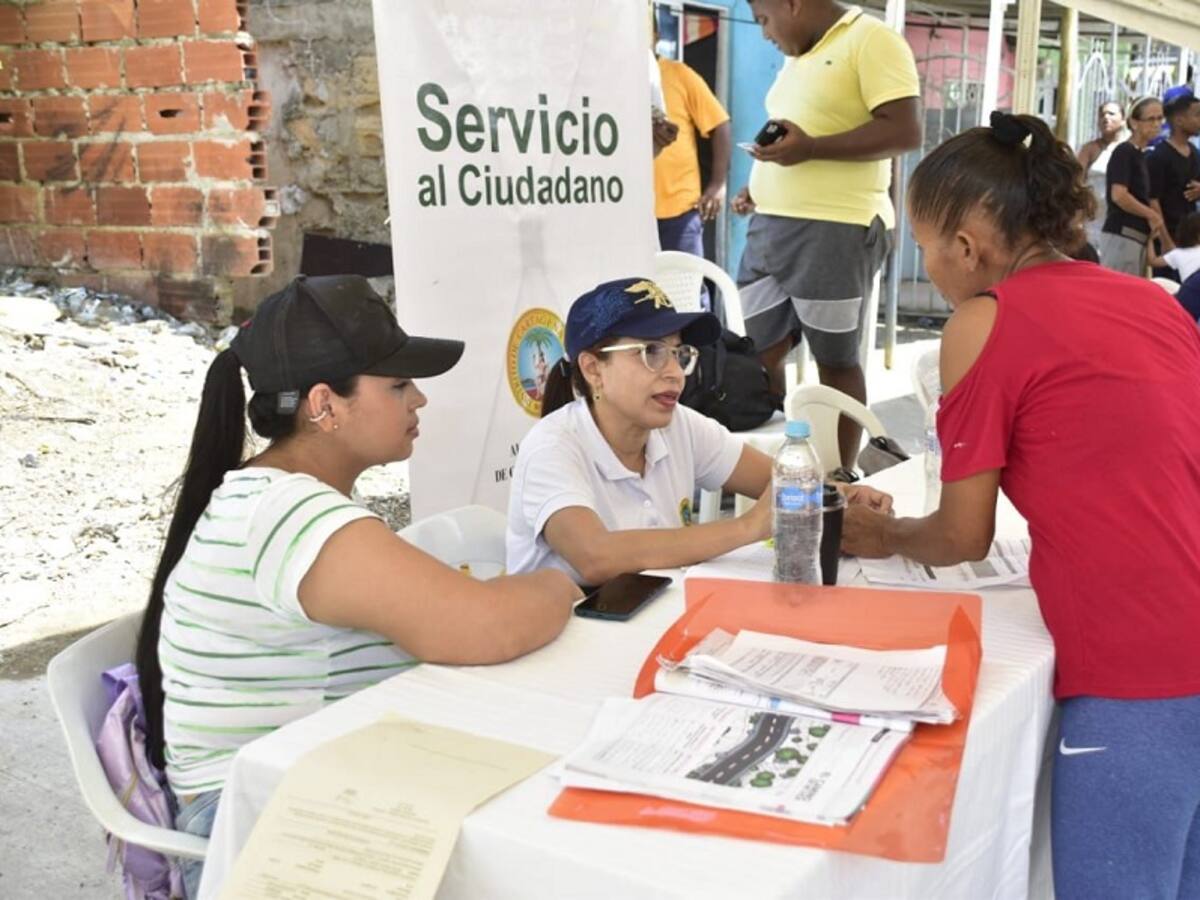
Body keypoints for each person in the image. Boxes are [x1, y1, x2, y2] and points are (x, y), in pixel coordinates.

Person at [841, 111, 1200, 899]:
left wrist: (881, 531)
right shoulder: (1154, 305)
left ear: (967, 248)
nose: (926, 266)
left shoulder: (985, 321)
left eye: (924, 247)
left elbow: (963, 533)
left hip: (1139, 670)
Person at [135, 275, 580, 897]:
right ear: (324, 405)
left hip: (306, 785)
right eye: (398, 385)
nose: (418, 400)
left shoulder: (274, 495)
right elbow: (491, 627)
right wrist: (564, 584)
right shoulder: (290, 515)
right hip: (256, 822)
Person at [505, 277, 890, 584]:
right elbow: (595, 557)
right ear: (593, 369)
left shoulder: (677, 426)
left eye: (679, 353)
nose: (674, 372)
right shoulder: (553, 447)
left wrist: (844, 495)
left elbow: (779, 484)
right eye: (651, 353)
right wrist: (748, 526)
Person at [732, 0, 921, 470]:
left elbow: (905, 130)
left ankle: (837, 476)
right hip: (769, 226)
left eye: (763, 20)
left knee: (834, 360)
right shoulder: (798, 60)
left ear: (792, 5)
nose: (764, 34)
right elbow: (798, 133)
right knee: (757, 354)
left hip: (835, 227)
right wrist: (760, 183)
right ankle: (772, 472)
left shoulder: (871, 39)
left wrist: (812, 148)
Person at [654, 52, 732, 271]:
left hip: (680, 210)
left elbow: (720, 124)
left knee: (686, 292)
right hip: (631, 212)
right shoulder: (617, 78)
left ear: (656, 35)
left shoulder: (678, 74)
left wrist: (718, 185)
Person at [1099, 96, 1165, 275]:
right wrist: (1150, 214)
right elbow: (1119, 195)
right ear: (1134, 123)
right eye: (1151, 119)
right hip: (1123, 236)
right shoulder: (1124, 151)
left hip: (1137, 239)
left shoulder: (1140, 155)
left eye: (1160, 118)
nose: (1157, 124)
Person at [1148, 93, 1200, 277]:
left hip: (1192, 240)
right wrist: (1165, 239)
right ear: (1179, 120)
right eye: (1197, 115)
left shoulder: (1194, 153)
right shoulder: (1159, 157)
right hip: (1169, 238)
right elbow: (1152, 199)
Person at [1075, 101, 1128, 252]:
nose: (1106, 118)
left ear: (1123, 119)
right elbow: (1077, 182)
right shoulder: (1090, 149)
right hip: (1093, 218)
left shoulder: (1129, 150)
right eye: (1102, 115)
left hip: (1118, 219)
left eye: (1111, 114)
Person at [1149, 211, 1200, 284]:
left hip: (1188, 290)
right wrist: (1150, 239)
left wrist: (1150, 240)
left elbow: (1153, 261)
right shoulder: (1177, 253)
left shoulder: (1177, 253)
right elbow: (1153, 261)